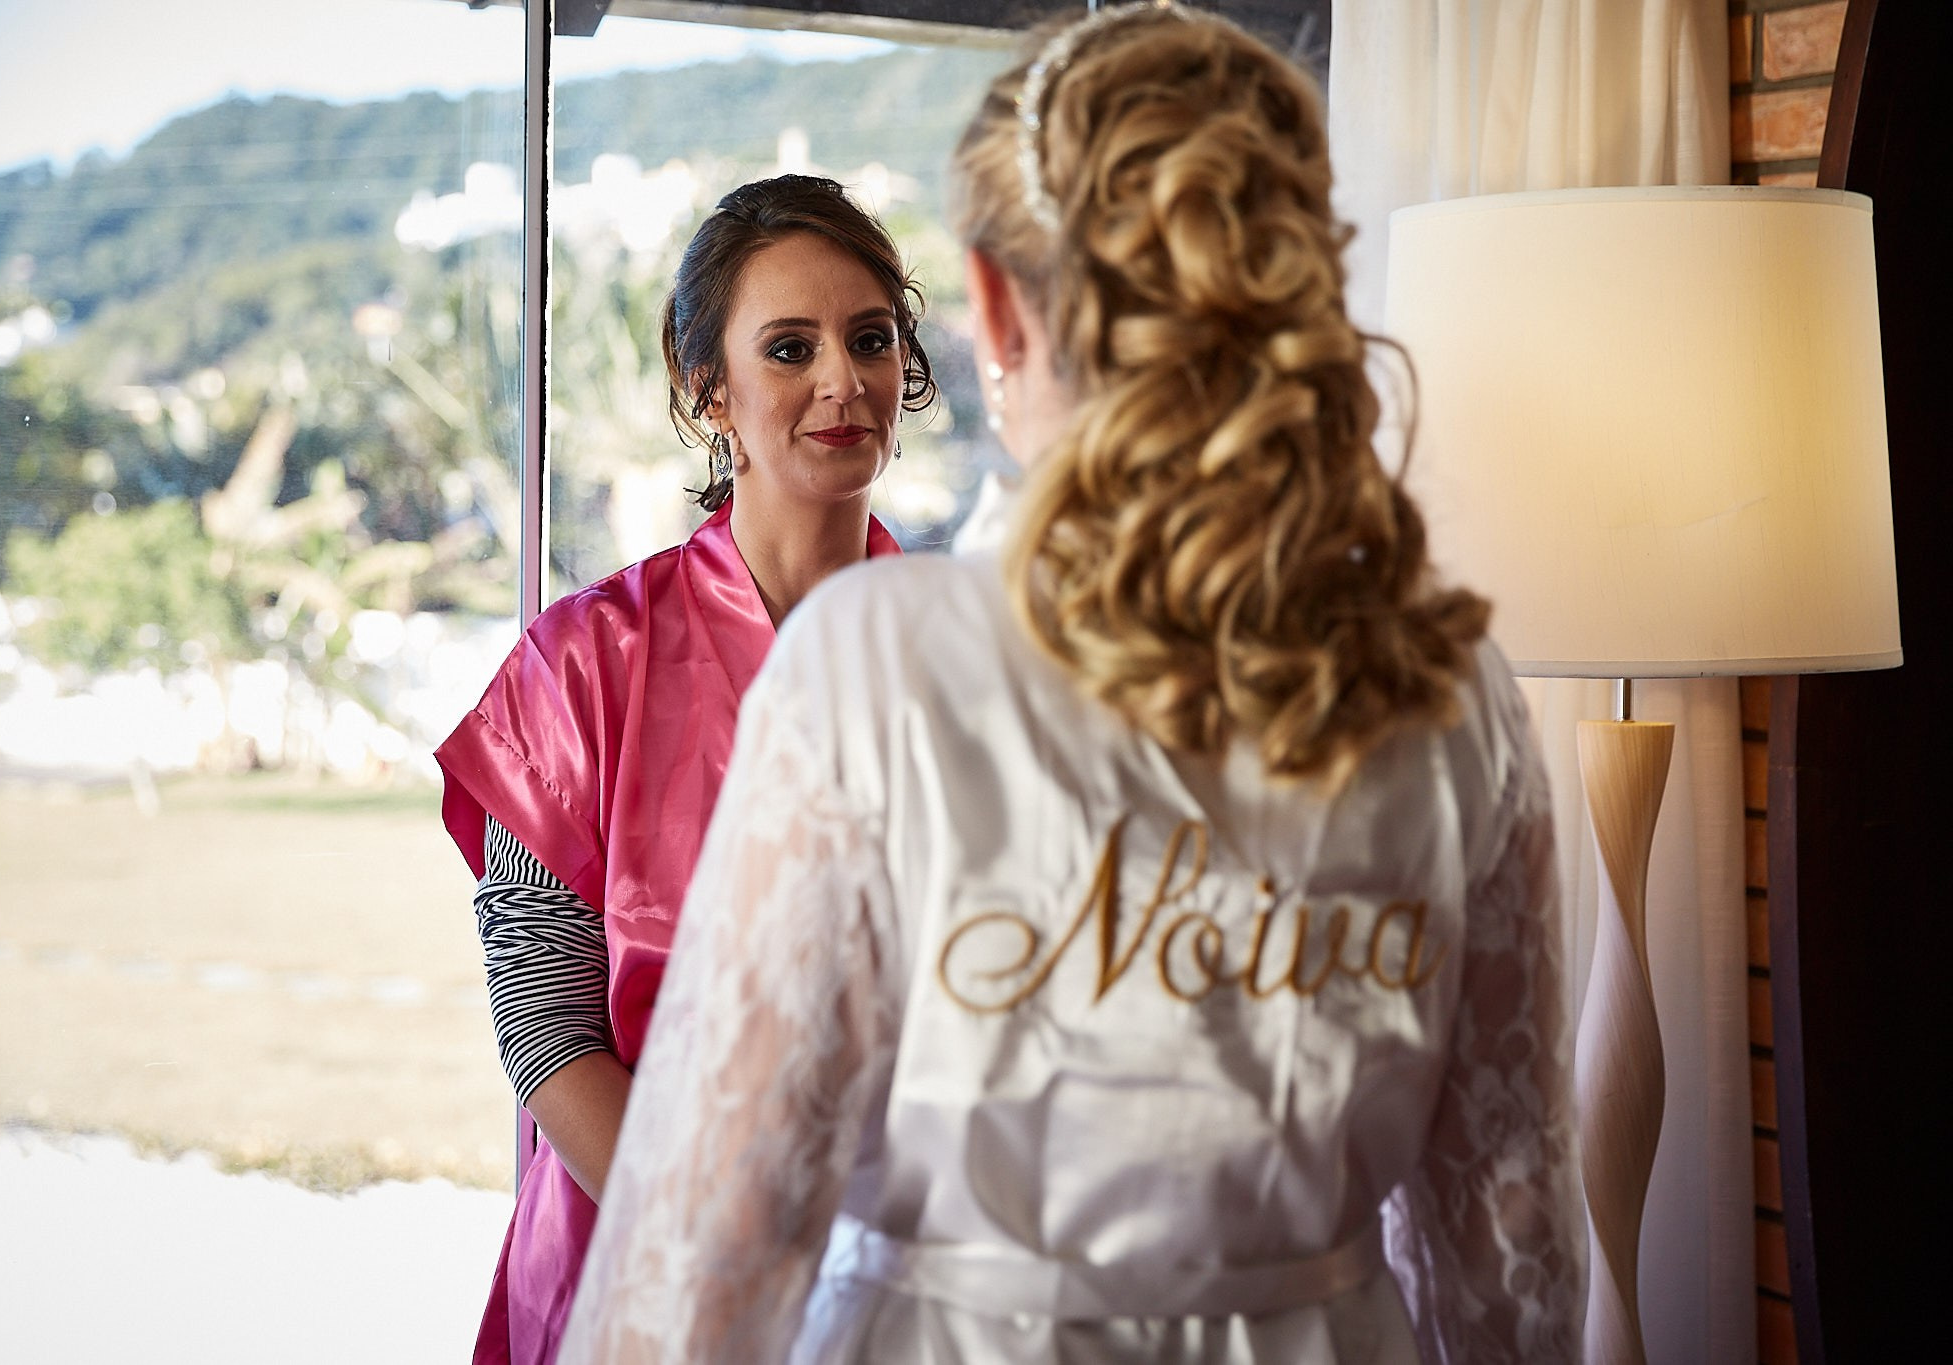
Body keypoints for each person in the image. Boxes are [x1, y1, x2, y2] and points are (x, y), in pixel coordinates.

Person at [563, 6, 1582, 1363]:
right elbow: (1508, 1237)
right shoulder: (1455, 693)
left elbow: (708, 1253)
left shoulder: (874, 670)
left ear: (988, 309)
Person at [434, 172, 935, 1365]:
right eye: (788, 348)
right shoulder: (582, 661)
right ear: (705, 388)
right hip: (641, 1272)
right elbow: (546, 1024)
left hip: (904, 1275)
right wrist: (728, 1260)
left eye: (870, 340)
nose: (840, 382)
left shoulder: (960, 654)